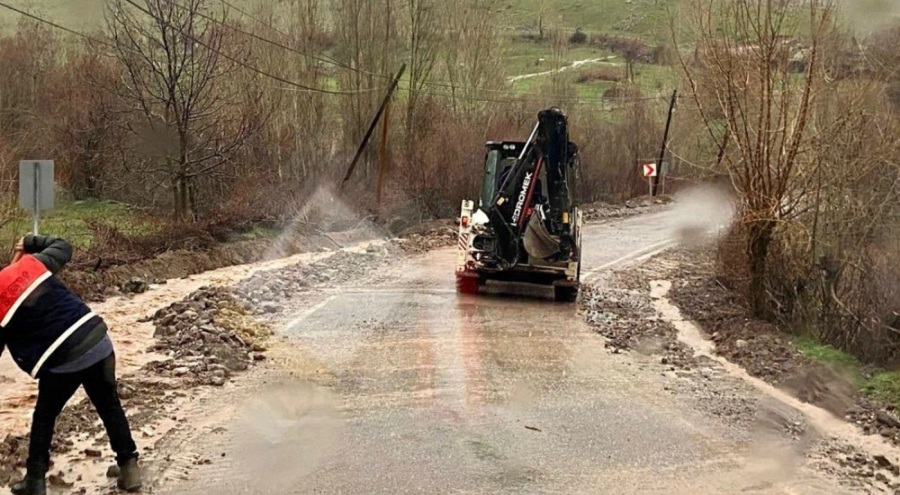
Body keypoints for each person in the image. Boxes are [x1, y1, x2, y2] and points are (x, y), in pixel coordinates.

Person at [0, 235, 142, 494]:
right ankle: (129, 467)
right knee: (109, 405)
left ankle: (35, 480)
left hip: (63, 357)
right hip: (97, 340)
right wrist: (31, 241)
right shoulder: (30, 266)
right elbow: (64, 246)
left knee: (44, 417)